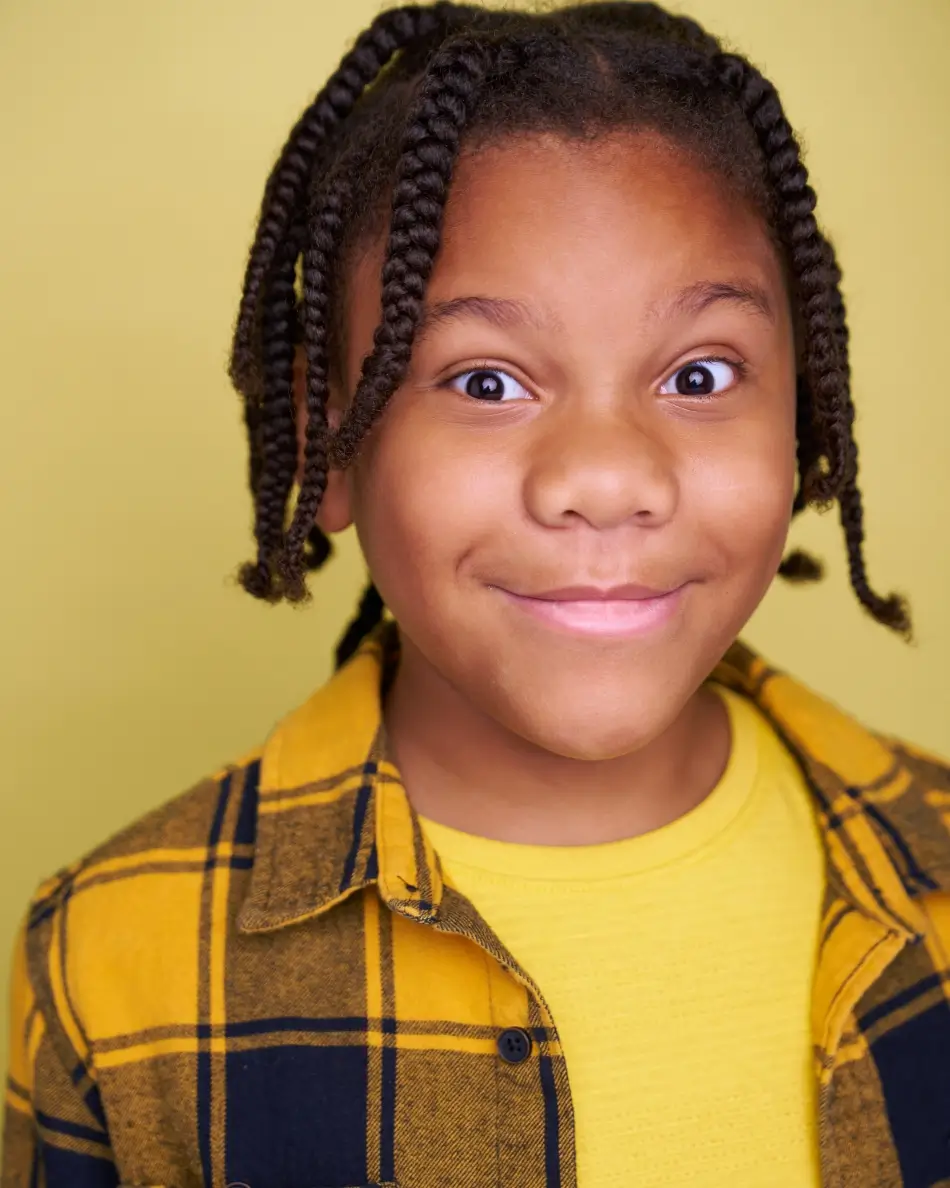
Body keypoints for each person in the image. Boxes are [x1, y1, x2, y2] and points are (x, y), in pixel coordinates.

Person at [4, 2, 949, 1185]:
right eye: (487, 380)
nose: (605, 480)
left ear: (802, 415)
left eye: (698, 374)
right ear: (326, 445)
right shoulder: (110, 961)